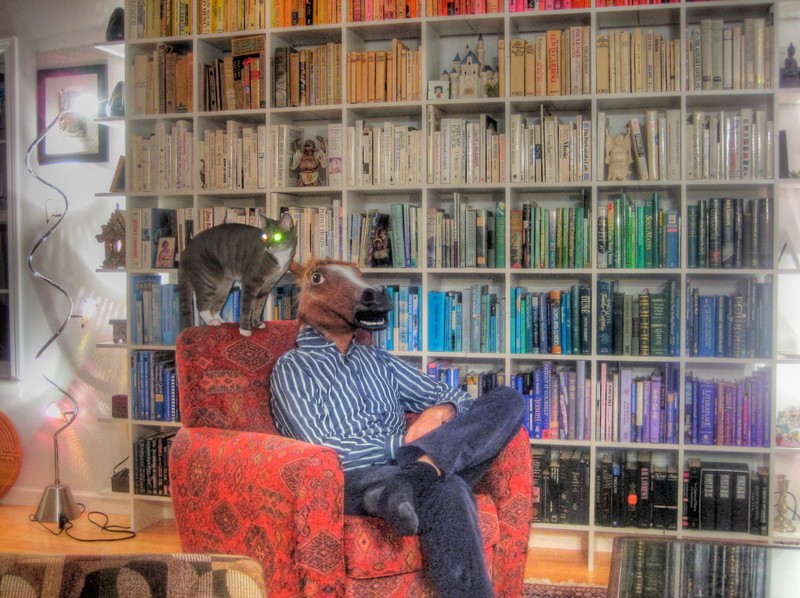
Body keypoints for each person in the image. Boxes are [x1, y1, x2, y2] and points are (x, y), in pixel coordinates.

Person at [270, 267, 525, 597]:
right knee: (448, 488)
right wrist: (403, 444)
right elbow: (321, 449)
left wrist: (442, 410)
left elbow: (460, 398)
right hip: (350, 479)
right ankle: (412, 479)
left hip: (407, 468)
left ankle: (417, 476)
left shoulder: (379, 361)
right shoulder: (294, 367)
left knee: (507, 399)